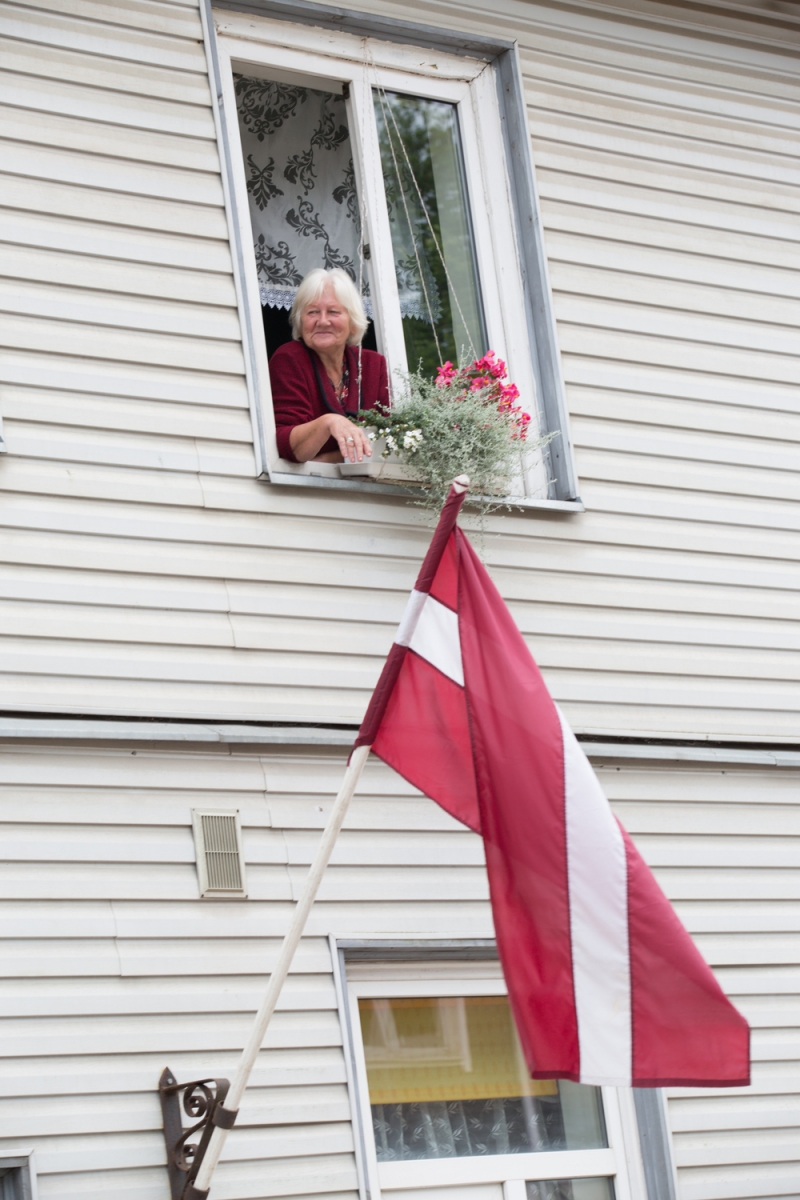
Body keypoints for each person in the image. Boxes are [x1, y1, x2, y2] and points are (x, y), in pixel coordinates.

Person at [269, 268, 389, 464]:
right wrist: (328, 422)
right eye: (313, 312)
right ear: (300, 321)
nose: (323, 321)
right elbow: (286, 444)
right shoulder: (289, 359)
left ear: (352, 322)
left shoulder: (372, 365)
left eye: (333, 312)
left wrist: (327, 459)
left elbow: (386, 443)